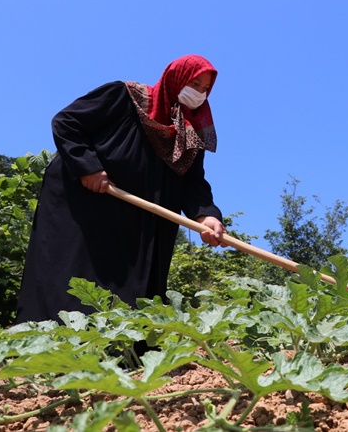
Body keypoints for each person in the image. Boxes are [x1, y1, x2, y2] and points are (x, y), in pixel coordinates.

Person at [16, 55, 227, 323]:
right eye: (194, 83)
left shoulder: (189, 136)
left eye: (204, 88)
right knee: (72, 277)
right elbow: (67, 122)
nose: (198, 93)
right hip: (87, 208)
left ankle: (122, 353)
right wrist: (88, 167)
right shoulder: (125, 97)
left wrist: (206, 216)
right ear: (176, 77)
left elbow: (193, 183)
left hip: (141, 227)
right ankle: (50, 347)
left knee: (131, 293)